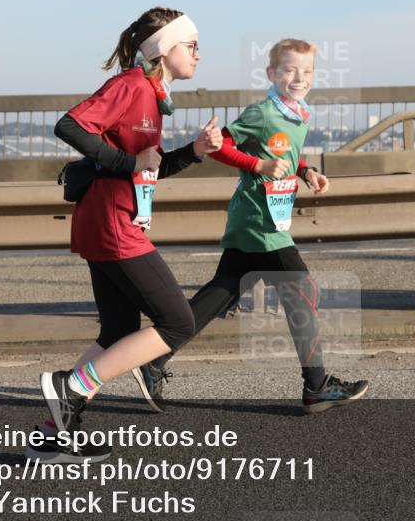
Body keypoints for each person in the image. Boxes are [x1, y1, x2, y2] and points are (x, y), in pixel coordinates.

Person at [132, 38, 369, 415]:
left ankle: (154, 360)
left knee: (220, 295)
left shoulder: (299, 112)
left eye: (306, 72)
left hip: (256, 220)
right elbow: (222, 146)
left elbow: (280, 154)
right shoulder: (262, 113)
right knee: (302, 291)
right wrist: (258, 167)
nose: (298, 78)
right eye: (289, 70)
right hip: (261, 223)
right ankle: (317, 385)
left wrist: (305, 171)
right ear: (272, 74)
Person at [30, 7, 222, 460]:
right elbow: (69, 125)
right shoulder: (131, 86)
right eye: (192, 45)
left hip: (111, 221)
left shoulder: (151, 97)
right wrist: (125, 163)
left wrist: (193, 152)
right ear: (165, 49)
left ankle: (54, 433)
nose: (199, 53)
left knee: (118, 330)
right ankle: (70, 387)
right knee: (178, 323)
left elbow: (148, 169)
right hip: (114, 223)